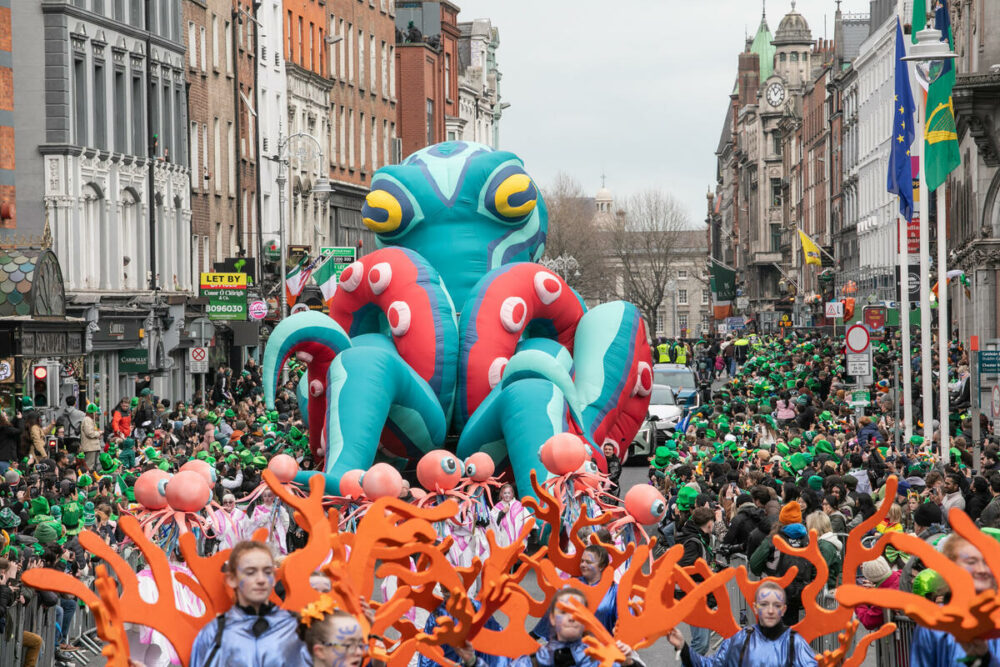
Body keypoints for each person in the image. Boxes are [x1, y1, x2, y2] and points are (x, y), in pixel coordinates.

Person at [189, 541, 302, 667]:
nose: (261, 580)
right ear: (232, 579)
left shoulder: (293, 627)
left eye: (267, 572)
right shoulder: (214, 634)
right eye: (250, 572)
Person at [666, 581, 817, 666]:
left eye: (776, 605)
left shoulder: (794, 643)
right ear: (756, 608)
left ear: (783, 609)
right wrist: (683, 647)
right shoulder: (743, 639)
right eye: (764, 604)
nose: (770, 610)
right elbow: (712, 665)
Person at [910, 534, 1000, 665]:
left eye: (986, 562)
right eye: (971, 562)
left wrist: (985, 658)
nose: (981, 569)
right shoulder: (932, 625)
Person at [515, 588, 641, 667]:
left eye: (577, 613)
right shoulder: (528, 663)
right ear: (552, 618)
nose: (571, 618)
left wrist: (629, 662)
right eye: (564, 612)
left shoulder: (602, 658)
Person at [531, 545, 617, 639]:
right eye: (582, 561)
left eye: (588, 562)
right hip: (571, 649)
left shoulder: (614, 591)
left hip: (602, 649)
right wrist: (532, 638)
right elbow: (553, 613)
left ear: (601, 566)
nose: (583, 565)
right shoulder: (571, 585)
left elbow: (624, 621)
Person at [80, 404, 103, 470]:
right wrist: (99, 433)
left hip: (92, 447)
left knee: (92, 466)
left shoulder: (89, 420)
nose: (96, 414)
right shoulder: (87, 420)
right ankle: (88, 478)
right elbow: (90, 433)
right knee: (89, 466)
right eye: (95, 412)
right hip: (90, 448)